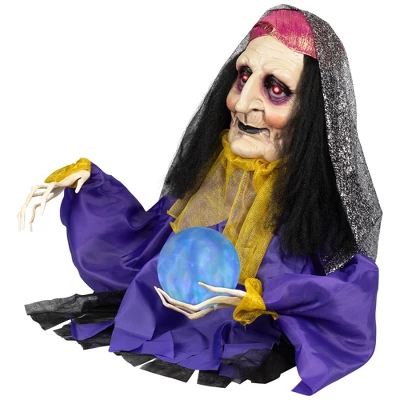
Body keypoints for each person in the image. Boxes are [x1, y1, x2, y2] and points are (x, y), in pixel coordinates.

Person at [19, 5, 382, 396]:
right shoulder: (215, 175)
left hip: (245, 336)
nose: (241, 104)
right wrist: (92, 185)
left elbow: (348, 300)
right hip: (170, 314)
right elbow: (142, 245)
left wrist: (264, 299)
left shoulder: (315, 207)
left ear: (314, 111)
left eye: (276, 88)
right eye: (244, 76)